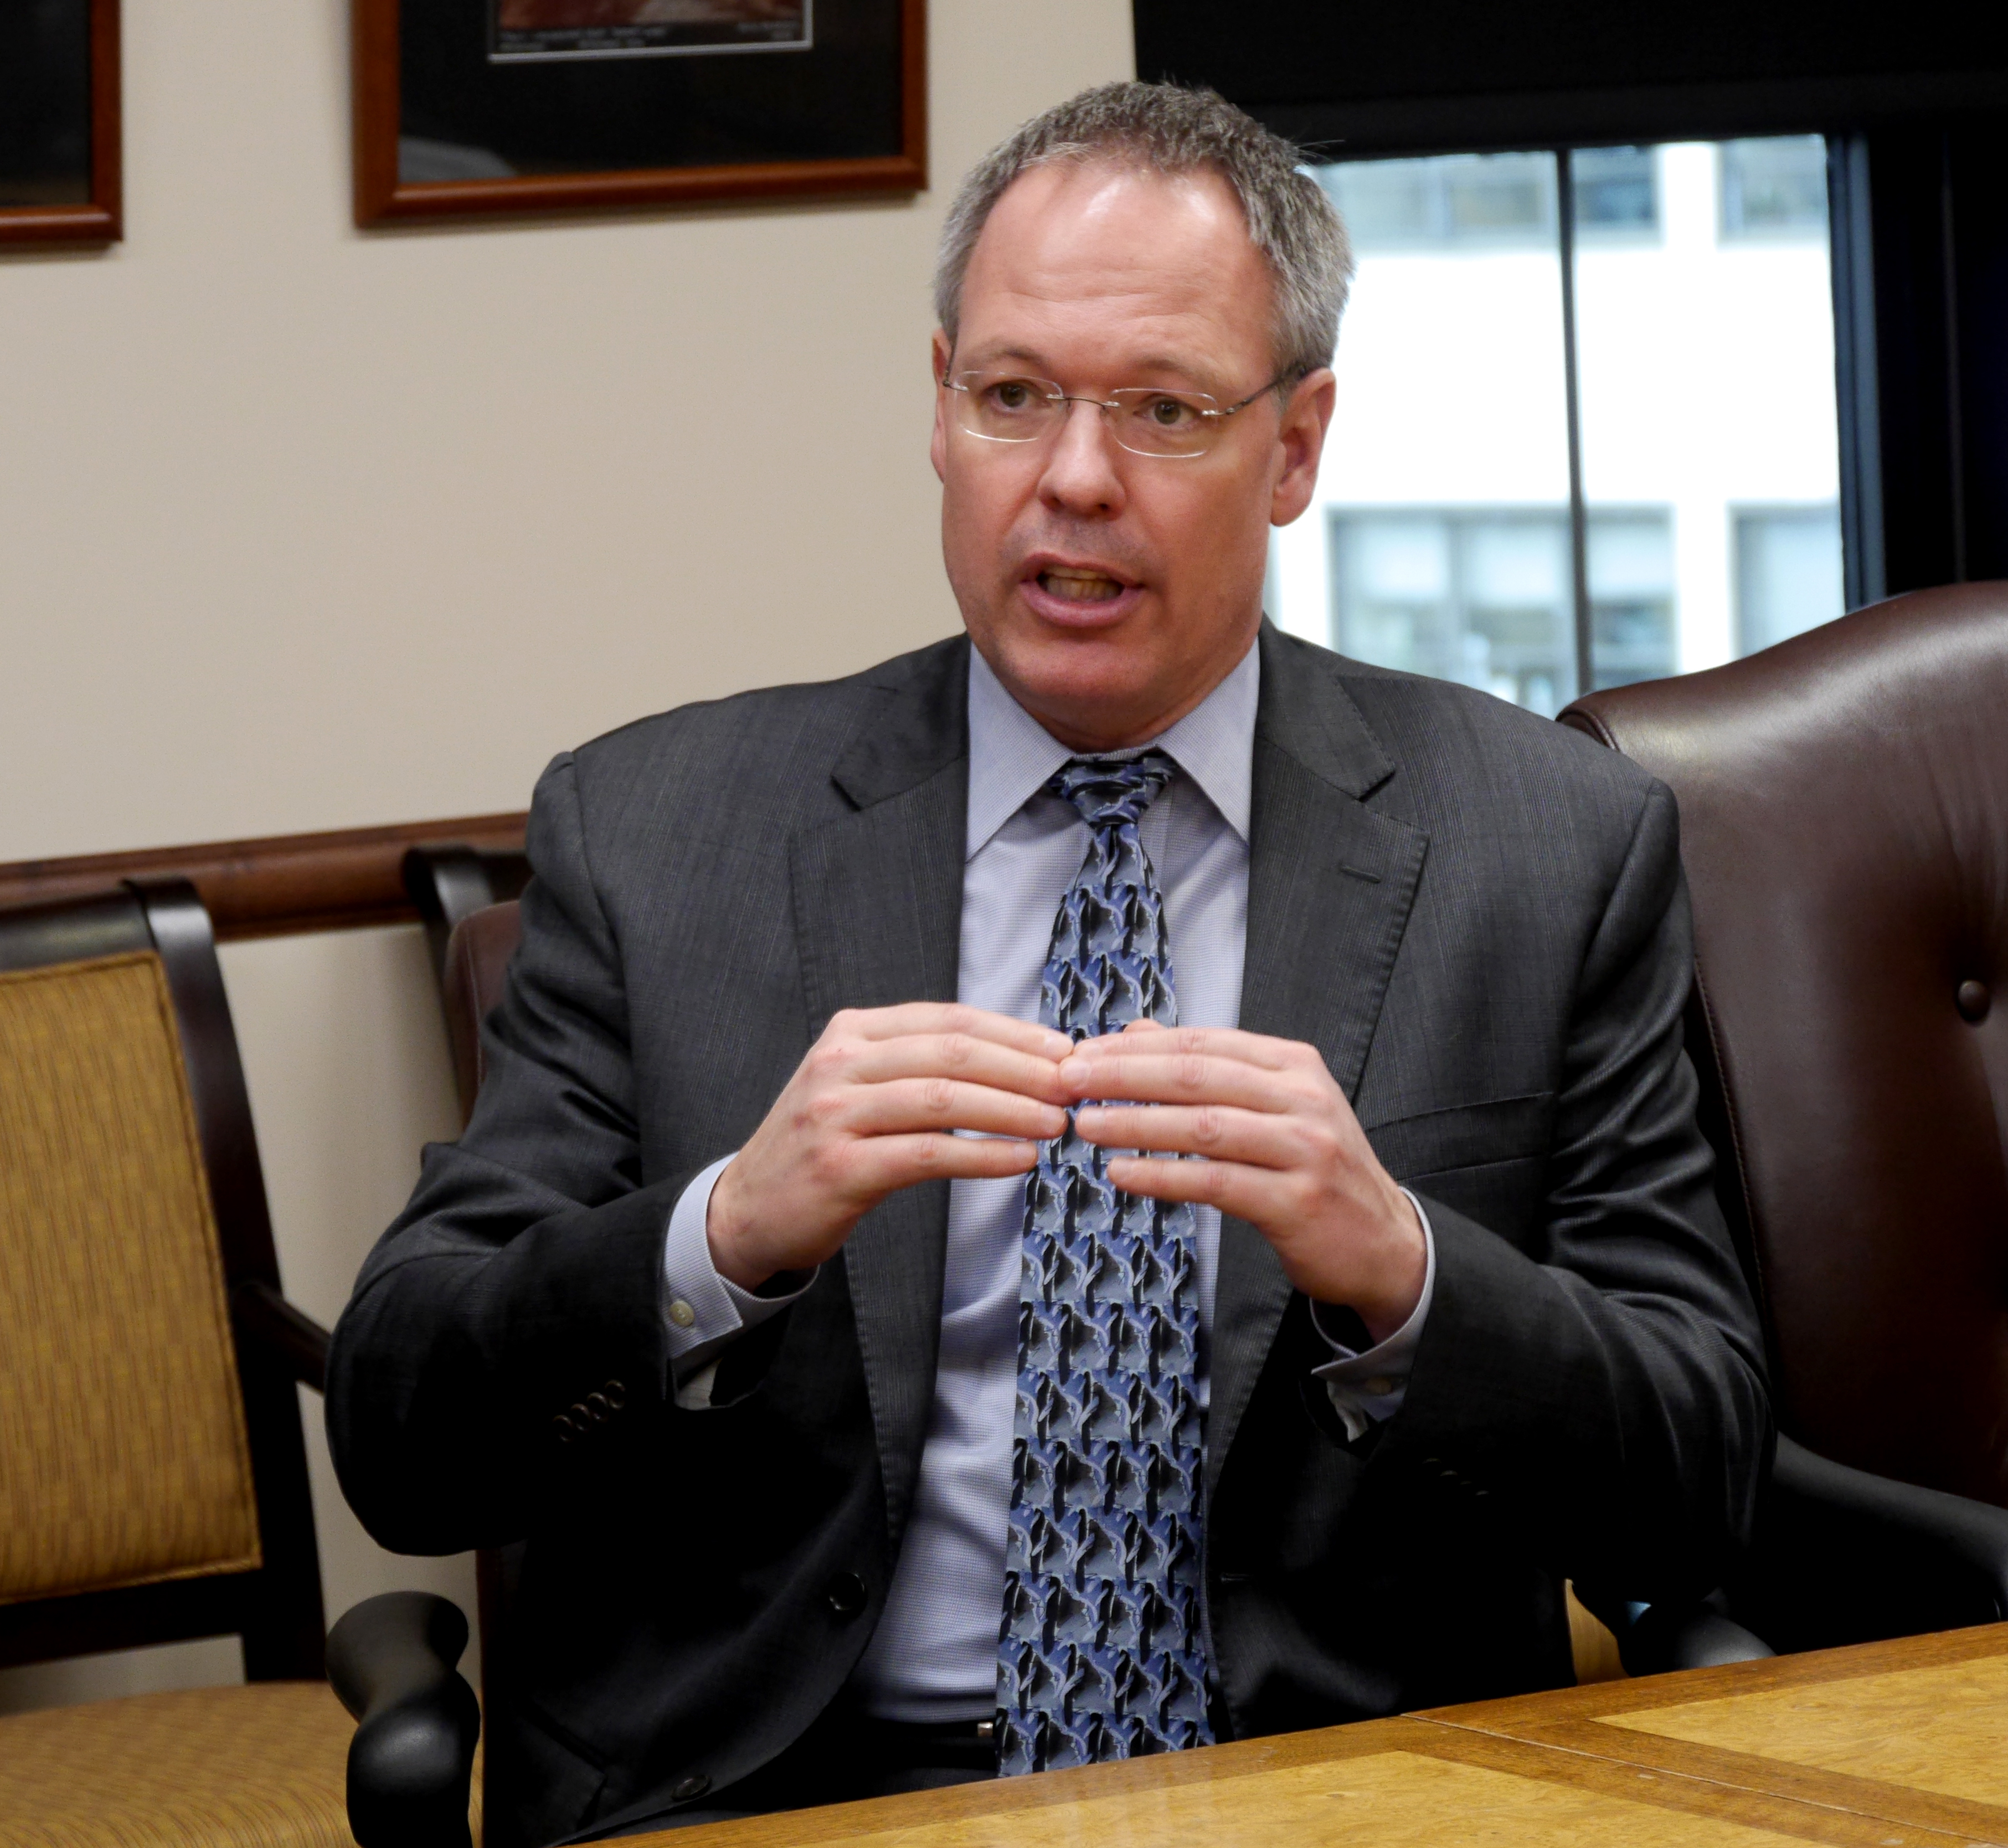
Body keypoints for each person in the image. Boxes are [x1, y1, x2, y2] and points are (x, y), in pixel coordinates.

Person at [328, 81, 1769, 1848]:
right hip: (791, 1790)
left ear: (1297, 446)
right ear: (938, 409)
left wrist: (1401, 1275)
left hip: (1340, 1792)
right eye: (1013, 396)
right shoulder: (658, 827)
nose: (1071, 477)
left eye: (1161, 409)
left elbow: (1700, 1479)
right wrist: (721, 1234)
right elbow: (403, 1435)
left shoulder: (1542, 843)